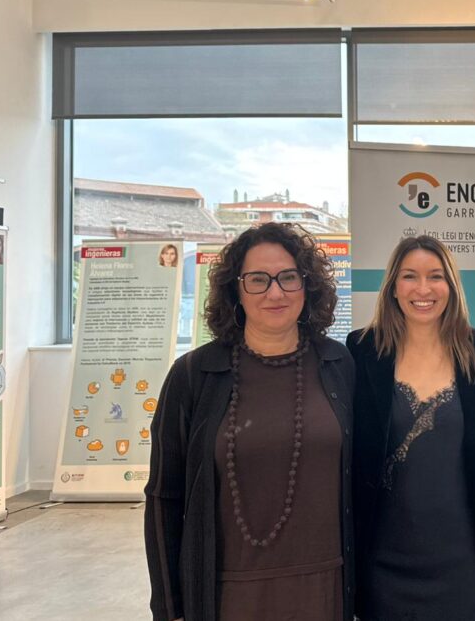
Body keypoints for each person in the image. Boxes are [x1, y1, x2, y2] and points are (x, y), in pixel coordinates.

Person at [144, 222, 353, 621]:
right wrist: (169, 608)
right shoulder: (193, 375)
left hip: (326, 589)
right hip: (227, 595)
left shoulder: (339, 365)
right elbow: (163, 498)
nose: (275, 292)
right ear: (235, 290)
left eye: (288, 278)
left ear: (307, 286)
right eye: (258, 279)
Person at [346, 235, 475, 621]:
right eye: (410, 276)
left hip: (462, 562)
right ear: (393, 286)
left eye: (436, 277)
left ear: (452, 286)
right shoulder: (362, 351)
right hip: (383, 564)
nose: (423, 289)